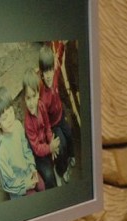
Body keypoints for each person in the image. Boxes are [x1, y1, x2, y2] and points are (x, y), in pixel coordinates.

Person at [0, 86, 43, 199]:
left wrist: (32, 167)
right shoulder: (2, 155)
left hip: (28, 172)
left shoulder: (18, 126)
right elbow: (8, 185)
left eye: (11, 112)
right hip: (19, 186)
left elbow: (26, 149)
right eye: (4, 118)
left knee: (42, 186)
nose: (10, 119)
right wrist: (26, 185)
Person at [39, 42, 74, 185]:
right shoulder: (42, 97)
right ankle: (60, 170)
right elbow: (45, 122)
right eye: (45, 72)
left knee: (69, 134)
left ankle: (71, 156)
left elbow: (58, 56)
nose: (48, 75)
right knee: (61, 145)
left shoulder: (54, 74)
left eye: (50, 70)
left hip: (60, 116)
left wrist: (62, 46)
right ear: (41, 73)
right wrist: (50, 138)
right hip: (53, 125)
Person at [22, 68, 59, 190]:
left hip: (46, 144)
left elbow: (48, 126)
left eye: (34, 96)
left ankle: (57, 170)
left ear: (38, 94)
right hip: (37, 154)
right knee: (48, 176)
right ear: (24, 98)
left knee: (58, 151)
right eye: (28, 98)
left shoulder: (41, 106)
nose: (32, 102)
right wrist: (49, 148)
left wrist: (51, 141)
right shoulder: (28, 123)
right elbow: (37, 149)